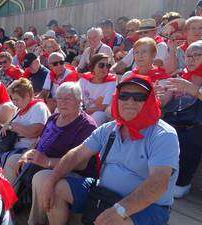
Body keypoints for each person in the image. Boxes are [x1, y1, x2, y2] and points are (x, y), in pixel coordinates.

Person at [38, 74, 179, 225]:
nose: (130, 101)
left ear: (150, 100)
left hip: (149, 206)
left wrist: (119, 209)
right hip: (104, 193)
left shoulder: (163, 135)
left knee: (115, 221)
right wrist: (52, 179)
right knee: (56, 186)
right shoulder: (109, 129)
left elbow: (158, 183)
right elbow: (76, 154)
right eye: (124, 96)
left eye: (139, 97)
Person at [21, 82, 99, 225]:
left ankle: (35, 222)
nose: (62, 103)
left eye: (68, 98)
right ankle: (10, 208)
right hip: (45, 162)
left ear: (79, 101)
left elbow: (81, 164)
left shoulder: (87, 126)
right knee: (15, 161)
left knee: (41, 177)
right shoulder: (53, 118)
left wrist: (47, 161)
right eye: (59, 98)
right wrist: (29, 153)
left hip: (77, 174)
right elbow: (40, 143)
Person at [157, 41, 202, 198]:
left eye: (197, 55)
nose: (191, 59)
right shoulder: (180, 75)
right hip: (172, 122)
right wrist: (156, 95)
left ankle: (182, 182)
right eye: (188, 55)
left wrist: (194, 90)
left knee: (191, 137)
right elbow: (164, 102)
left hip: (194, 126)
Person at [0, 78, 50, 168]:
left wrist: (12, 126)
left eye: (17, 99)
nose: (14, 103)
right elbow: (10, 128)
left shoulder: (39, 107)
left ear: (27, 96)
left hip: (26, 149)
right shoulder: (20, 109)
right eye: (13, 100)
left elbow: (34, 132)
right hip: (13, 146)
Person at [79, 53, 116, 126]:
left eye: (108, 66)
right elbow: (77, 97)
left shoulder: (111, 82)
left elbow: (103, 107)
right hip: (82, 109)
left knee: (99, 115)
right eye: (101, 65)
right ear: (93, 67)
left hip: (98, 112)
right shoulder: (84, 78)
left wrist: (85, 111)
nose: (105, 68)